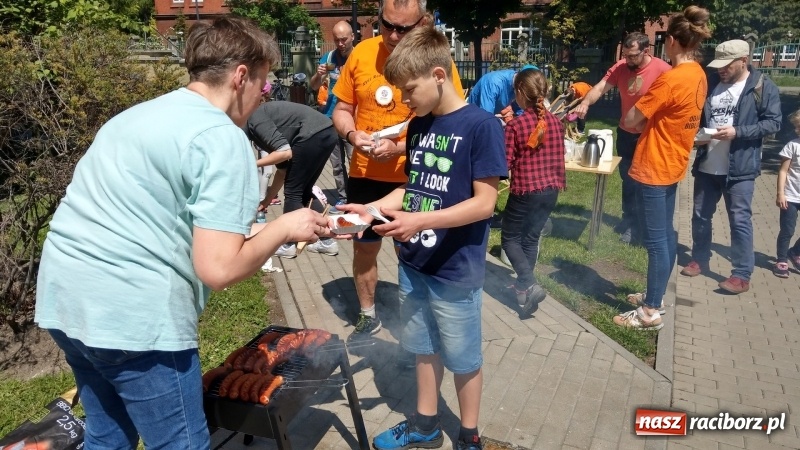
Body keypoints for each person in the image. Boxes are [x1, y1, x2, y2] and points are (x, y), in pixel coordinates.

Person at [34, 17, 334, 449]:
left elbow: (150, 210)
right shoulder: (220, 138)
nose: (264, 96)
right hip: (132, 317)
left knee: (107, 434)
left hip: (65, 299)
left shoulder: (139, 114)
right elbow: (218, 269)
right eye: (265, 84)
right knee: (180, 443)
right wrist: (286, 225)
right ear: (240, 76)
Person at [338, 26, 507, 450]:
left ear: (437, 74)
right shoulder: (418, 127)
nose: (404, 100)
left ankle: (469, 436)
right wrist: (374, 208)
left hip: (455, 270)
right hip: (414, 264)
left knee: (463, 357)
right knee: (423, 348)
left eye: (409, 90)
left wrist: (422, 222)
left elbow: (484, 203)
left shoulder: (481, 126)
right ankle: (426, 426)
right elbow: (414, 187)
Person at [331, 0, 464, 342]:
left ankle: (414, 323)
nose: (392, 35)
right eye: (386, 25)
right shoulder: (361, 53)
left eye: (402, 28)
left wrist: (400, 147)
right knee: (364, 245)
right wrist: (351, 135)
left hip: (414, 176)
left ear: (421, 23)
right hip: (365, 174)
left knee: (412, 248)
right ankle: (367, 315)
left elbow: (448, 125)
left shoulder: (436, 61)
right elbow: (342, 108)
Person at [613, 5, 712, 331]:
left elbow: (630, 120)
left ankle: (649, 312)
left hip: (654, 165)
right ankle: (656, 295)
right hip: (675, 162)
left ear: (670, 41)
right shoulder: (698, 74)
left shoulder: (670, 79)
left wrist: (640, 110)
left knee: (656, 241)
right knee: (666, 236)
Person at [679, 39, 782, 293]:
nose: (721, 70)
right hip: (707, 164)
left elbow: (774, 123)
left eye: (727, 65)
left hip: (740, 168)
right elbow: (698, 116)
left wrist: (738, 131)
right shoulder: (712, 83)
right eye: (719, 65)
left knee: (739, 220)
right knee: (700, 216)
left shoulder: (761, 86)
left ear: (743, 61)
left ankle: (741, 274)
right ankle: (699, 259)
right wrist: (697, 136)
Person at [574, 32, 671, 245]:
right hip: (626, 133)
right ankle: (629, 220)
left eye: (633, 56)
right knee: (627, 180)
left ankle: (641, 228)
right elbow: (600, 87)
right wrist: (586, 103)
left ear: (646, 51)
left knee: (643, 182)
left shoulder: (663, 70)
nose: (628, 60)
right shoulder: (620, 67)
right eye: (626, 55)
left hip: (649, 135)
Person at [501, 69, 566, 318]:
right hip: (551, 191)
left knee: (509, 239)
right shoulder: (557, 123)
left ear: (519, 92)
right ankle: (523, 289)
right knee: (530, 238)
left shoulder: (516, 126)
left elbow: (504, 163)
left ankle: (528, 282)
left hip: (525, 191)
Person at [244, 101, 340, 258]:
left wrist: (250, 164)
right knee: (304, 190)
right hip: (326, 132)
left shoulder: (254, 118)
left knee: (293, 192)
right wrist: (267, 201)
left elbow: (285, 154)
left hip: (314, 133)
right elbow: (282, 171)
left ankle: (287, 245)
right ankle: (326, 241)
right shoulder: (264, 131)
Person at [310, 21, 356, 212]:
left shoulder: (359, 57)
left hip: (353, 119)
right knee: (337, 164)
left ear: (352, 37)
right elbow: (313, 86)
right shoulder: (328, 58)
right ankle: (344, 198)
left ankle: (358, 197)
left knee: (355, 161)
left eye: (344, 39)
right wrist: (318, 75)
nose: (340, 44)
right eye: (337, 40)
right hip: (329, 118)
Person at [774, 109, 800, 278]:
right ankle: (782, 259)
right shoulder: (792, 145)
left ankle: (795, 252)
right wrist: (780, 194)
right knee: (787, 230)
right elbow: (783, 171)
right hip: (790, 196)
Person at [467, 64, 539, 121]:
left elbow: (520, 109)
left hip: (491, 116)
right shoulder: (494, 83)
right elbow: (486, 117)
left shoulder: (517, 85)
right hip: (474, 118)